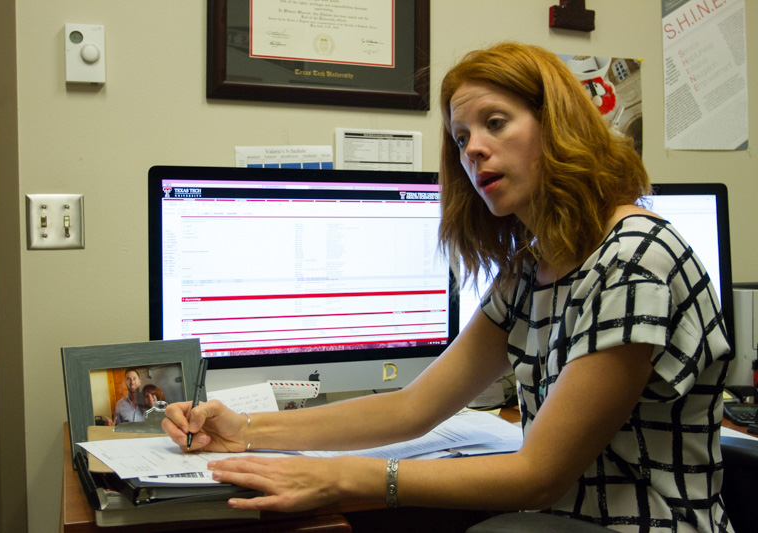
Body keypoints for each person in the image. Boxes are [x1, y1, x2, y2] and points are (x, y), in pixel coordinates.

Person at [162, 42, 732, 532]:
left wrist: (340, 475)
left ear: (558, 124)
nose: (473, 149)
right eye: (461, 138)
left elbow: (538, 477)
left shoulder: (636, 258)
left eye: (496, 122)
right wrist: (247, 431)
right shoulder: (531, 272)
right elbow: (414, 407)